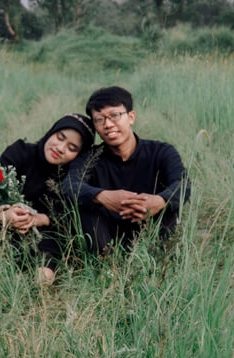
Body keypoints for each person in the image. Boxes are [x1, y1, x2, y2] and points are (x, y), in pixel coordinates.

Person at [63, 86, 188, 255]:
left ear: (131, 117)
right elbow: (69, 185)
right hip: (106, 236)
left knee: (170, 204)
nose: (108, 125)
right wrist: (102, 196)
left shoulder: (161, 151)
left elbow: (183, 183)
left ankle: (160, 259)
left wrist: (159, 201)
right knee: (84, 205)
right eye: (99, 119)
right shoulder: (89, 158)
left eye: (114, 115)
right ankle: (106, 265)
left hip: (150, 229)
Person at [0, 113, 93, 283]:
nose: (60, 148)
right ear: (51, 132)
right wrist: (5, 214)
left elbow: (74, 218)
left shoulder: (74, 179)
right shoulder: (20, 152)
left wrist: (42, 219)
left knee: (44, 276)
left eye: (72, 148)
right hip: (1, 224)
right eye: (59, 137)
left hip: (44, 235)